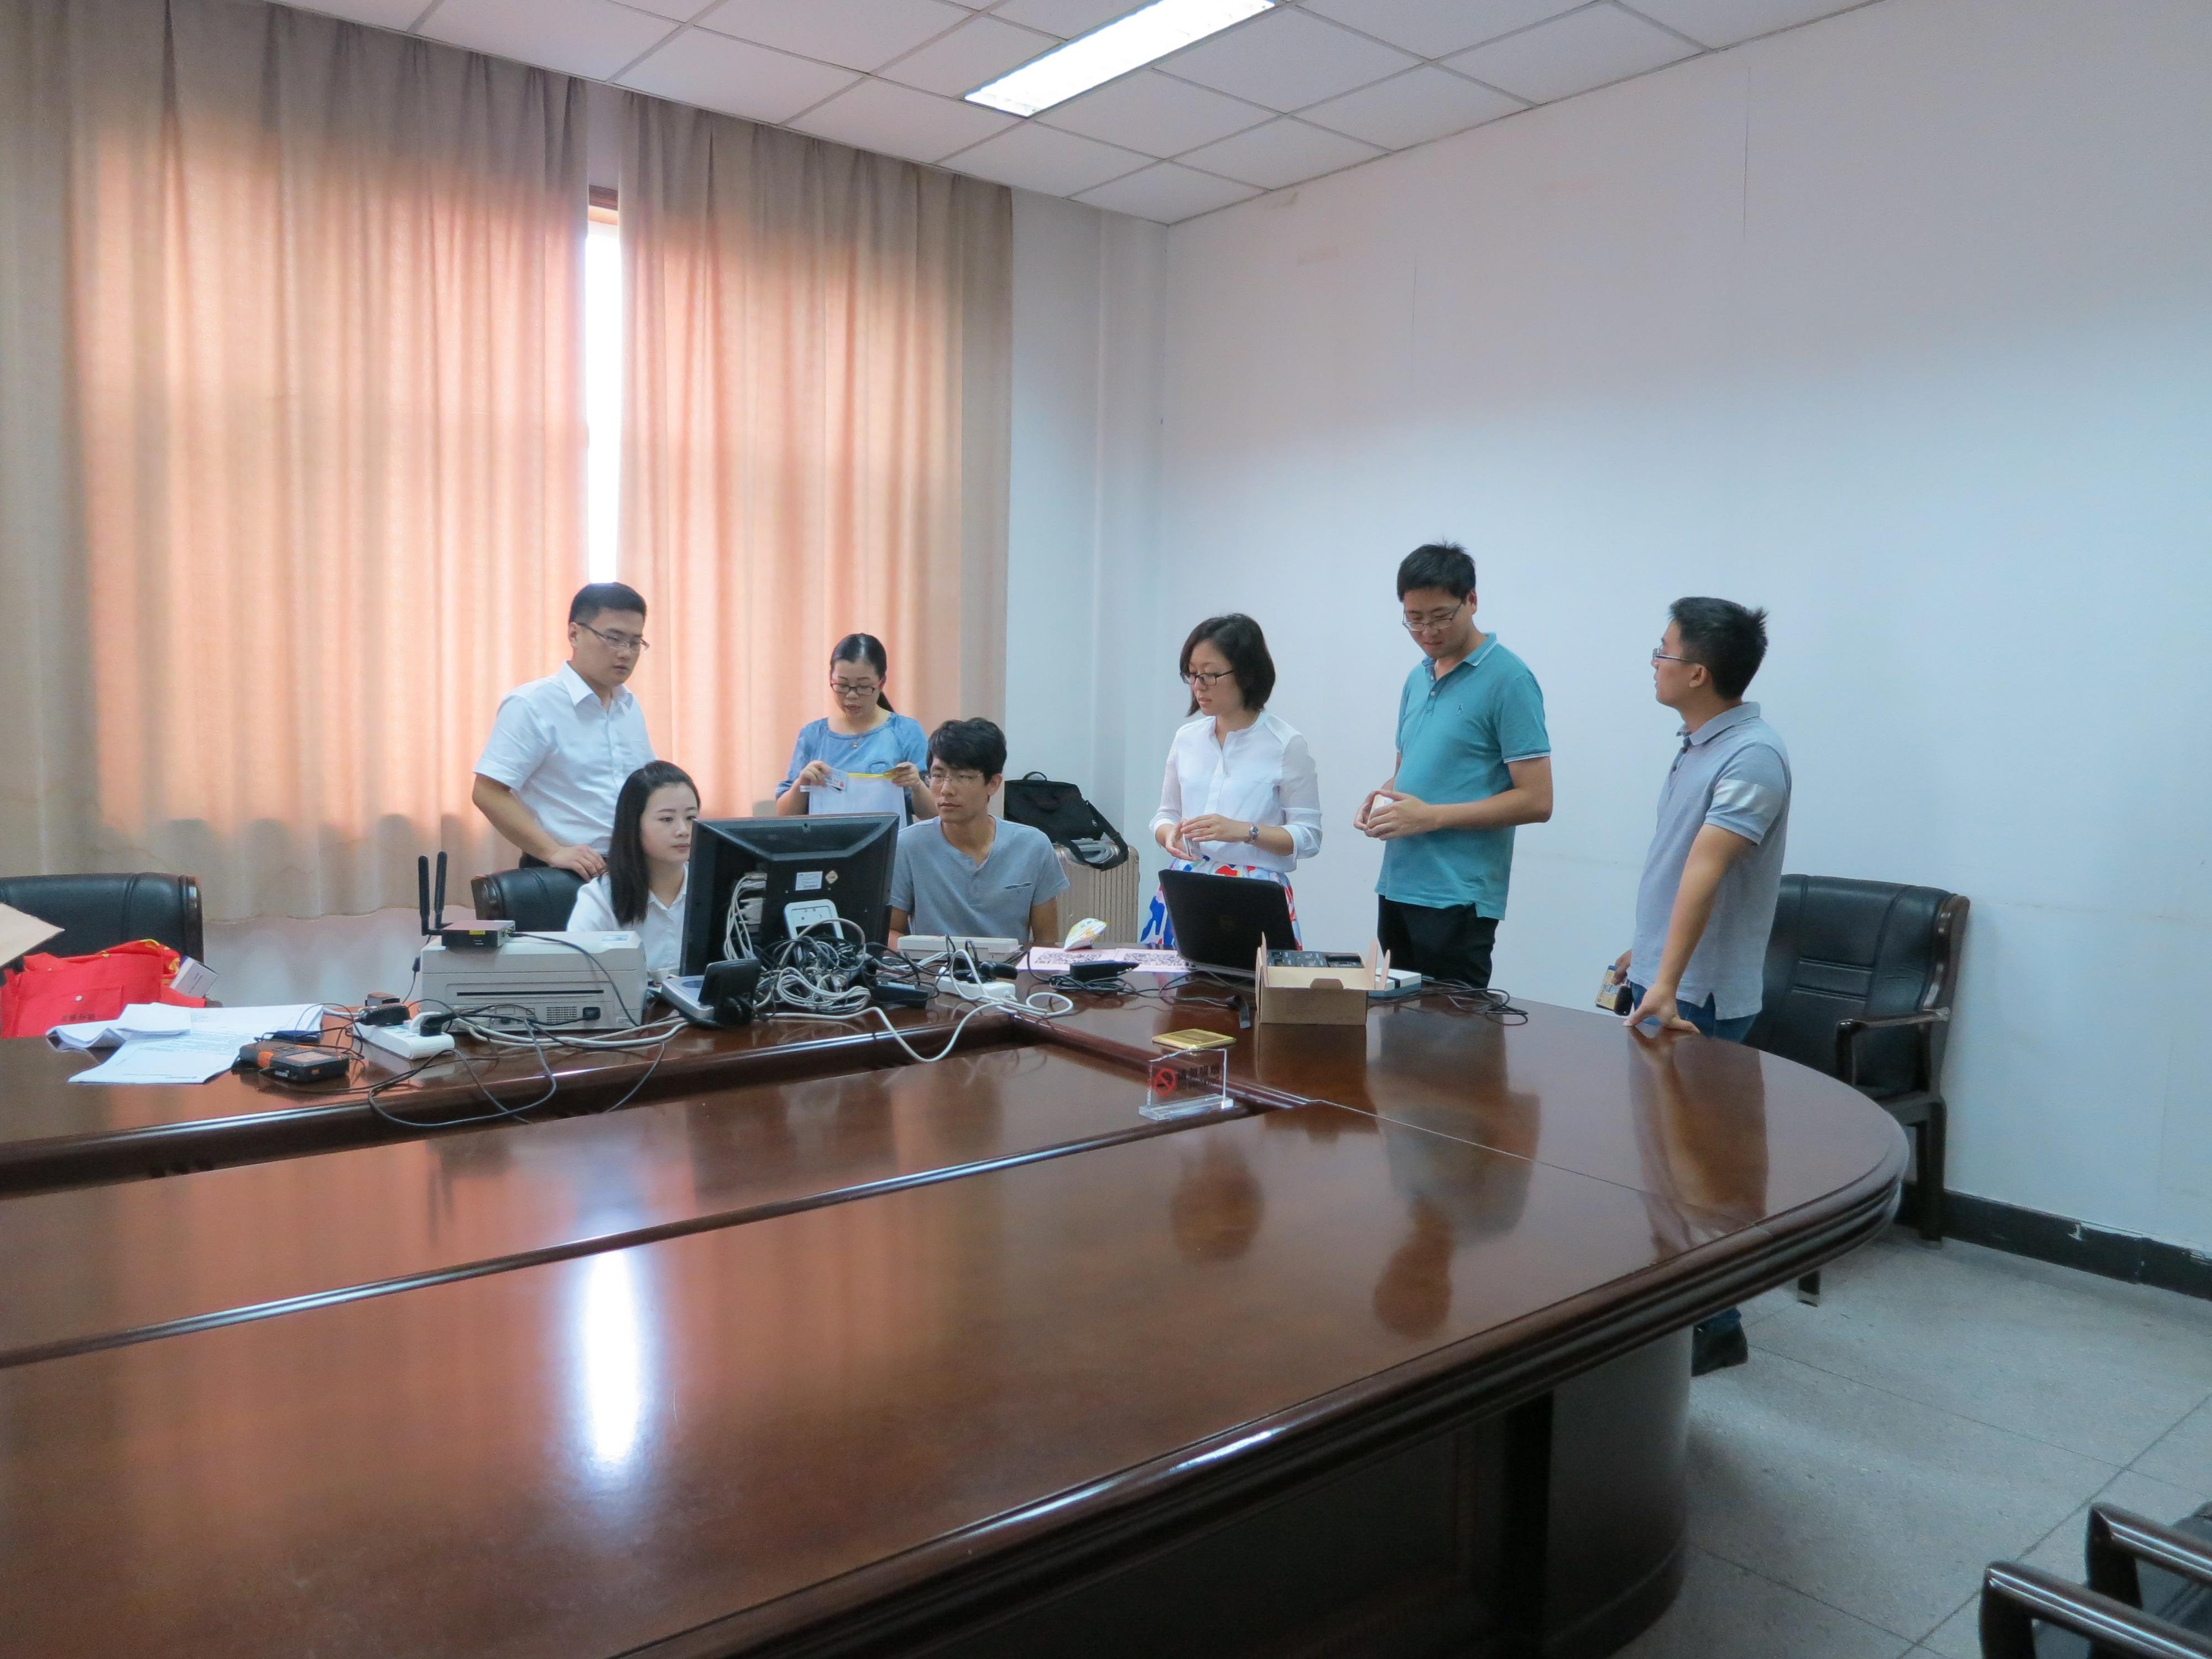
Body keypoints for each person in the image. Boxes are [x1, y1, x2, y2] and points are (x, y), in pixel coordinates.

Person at [1612, 596, 1791, 1376]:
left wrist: (1667, 980)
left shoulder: (1752, 757)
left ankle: (1716, 1325)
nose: (1653, 663)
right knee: (1659, 1165)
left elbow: (1707, 870)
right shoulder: (1697, 745)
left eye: (1663, 651)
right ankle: (1671, 1313)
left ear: (1697, 672)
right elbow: (1676, 869)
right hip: (1665, 978)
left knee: (1697, 1173)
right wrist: (1644, 951)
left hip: (1696, 996)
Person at [1355, 543, 1552, 989]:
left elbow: (1538, 801)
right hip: (1398, 884)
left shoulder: (1510, 679)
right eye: (1414, 619)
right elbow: (1409, 771)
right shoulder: (1418, 676)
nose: (1427, 631)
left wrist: (1432, 817)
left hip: (1457, 897)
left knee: (1454, 1029)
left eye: (1441, 616)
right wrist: (1381, 800)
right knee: (1396, 1023)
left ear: (1472, 601)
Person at [1140, 614, 1322, 949]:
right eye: (1192, 674)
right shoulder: (1187, 738)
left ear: (1247, 674)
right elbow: (1165, 814)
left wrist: (1244, 831)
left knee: (1250, 980)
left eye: (1209, 675)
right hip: (1187, 883)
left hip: (1254, 889)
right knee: (1170, 979)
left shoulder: (1285, 744)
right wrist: (1169, 835)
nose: (1198, 686)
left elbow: (1309, 836)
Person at [472, 583, 656, 878]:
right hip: (566, 871)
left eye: (635, 643)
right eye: (613, 638)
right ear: (574, 634)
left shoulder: (629, 706)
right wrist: (552, 851)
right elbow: (488, 792)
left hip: (631, 868)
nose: (625, 653)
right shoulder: (533, 704)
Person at [888, 719, 1068, 949]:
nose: (946, 790)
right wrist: (937, 953)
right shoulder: (908, 845)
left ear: (993, 784)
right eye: (938, 775)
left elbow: (1046, 942)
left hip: (1008, 970)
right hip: (933, 968)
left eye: (963, 777)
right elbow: (889, 933)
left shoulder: (1033, 845)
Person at [774, 634, 933, 822]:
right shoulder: (813, 735)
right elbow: (784, 814)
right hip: (828, 840)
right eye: (842, 685)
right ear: (831, 678)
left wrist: (917, 786)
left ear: (881, 682)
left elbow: (932, 814)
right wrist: (801, 784)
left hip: (890, 840)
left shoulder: (906, 731)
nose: (851, 696)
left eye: (863, 687)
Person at [566, 761, 698, 974]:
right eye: (667, 819)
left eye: (691, 818)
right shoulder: (601, 898)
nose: (683, 830)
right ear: (634, 825)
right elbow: (576, 974)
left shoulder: (712, 889)